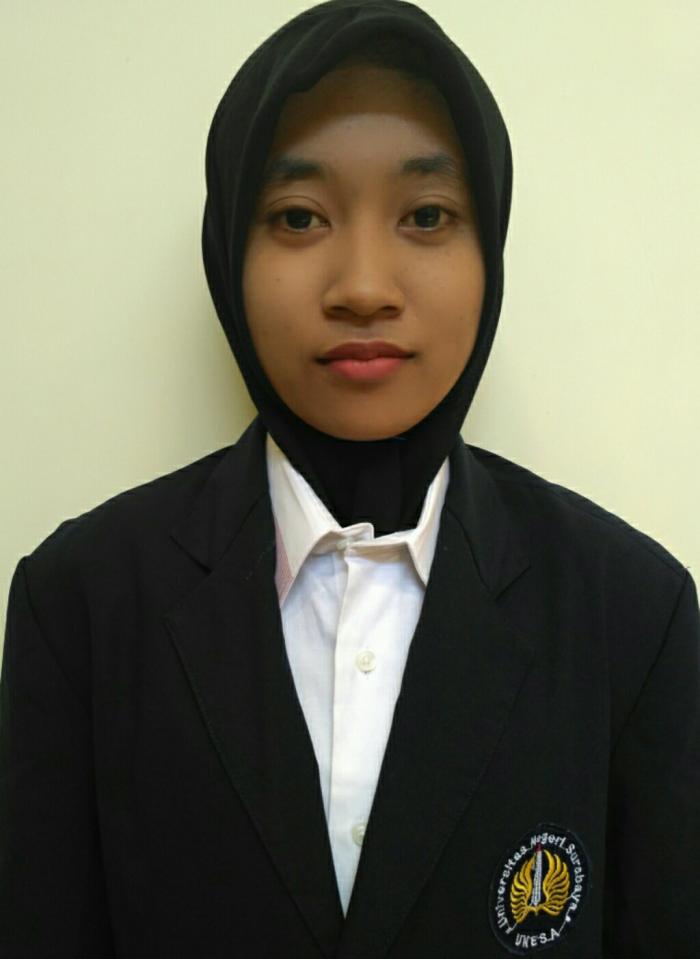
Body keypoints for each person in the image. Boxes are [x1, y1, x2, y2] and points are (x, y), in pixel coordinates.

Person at [1, 0, 698, 956]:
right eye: (299, 217)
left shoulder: (631, 614)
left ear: (489, 248)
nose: (363, 285)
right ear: (229, 250)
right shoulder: (80, 603)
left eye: (426, 216)